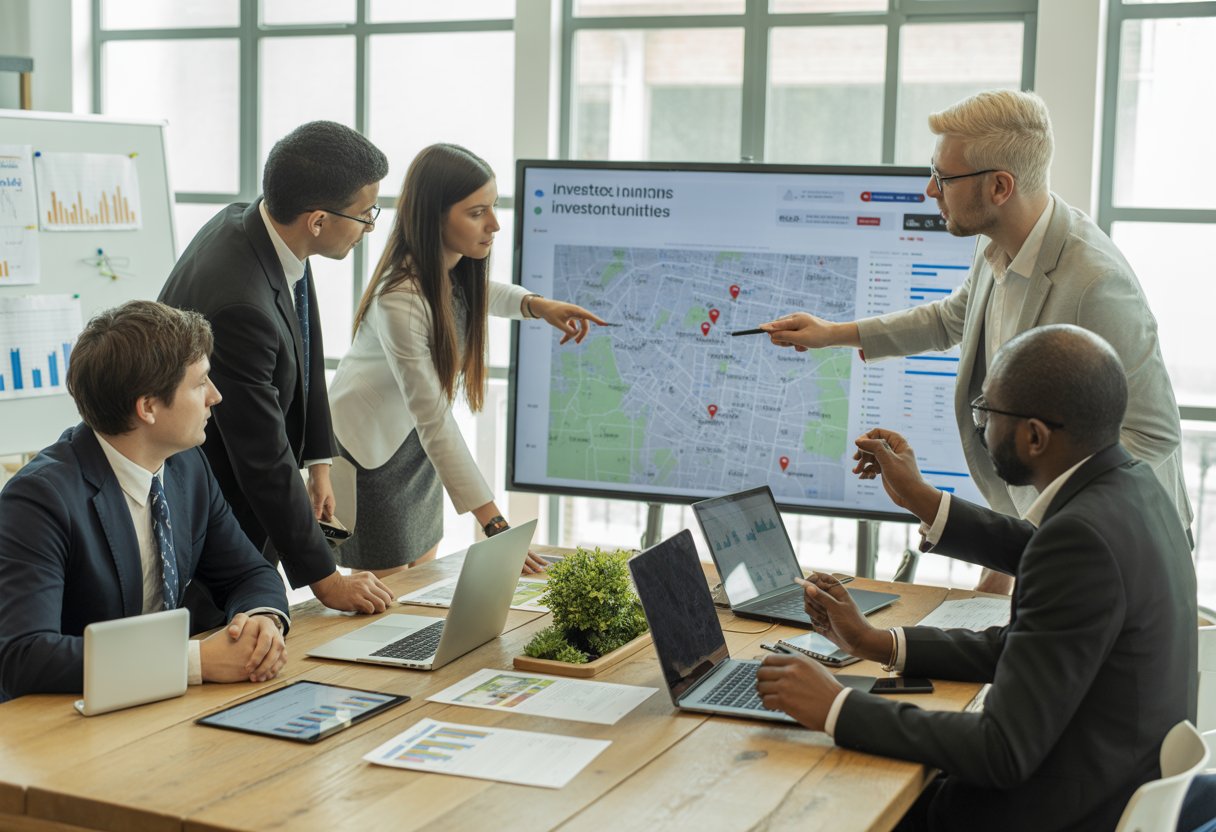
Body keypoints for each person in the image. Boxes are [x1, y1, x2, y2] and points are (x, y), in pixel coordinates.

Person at [755, 324, 1197, 832]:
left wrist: (837, 706)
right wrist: (877, 642)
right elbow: (1029, 645)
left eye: (987, 412)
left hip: (1058, 813)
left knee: (813, 800)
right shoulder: (1137, 489)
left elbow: (1001, 749)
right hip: (1106, 785)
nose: (980, 428)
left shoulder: (1079, 539)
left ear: (1034, 436)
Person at [760, 89, 1191, 594]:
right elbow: (950, 318)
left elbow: (1153, 435)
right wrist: (830, 334)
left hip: (1118, 552)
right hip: (1045, 539)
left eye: (943, 177)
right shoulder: (998, 245)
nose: (930, 189)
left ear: (1000, 187)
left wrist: (1031, 531)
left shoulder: (1096, 284)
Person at [329, 143, 606, 576]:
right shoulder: (399, 298)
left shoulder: (451, 269)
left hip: (414, 440)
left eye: (492, 207)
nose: (494, 224)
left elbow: (483, 293)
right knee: (386, 591)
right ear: (433, 217)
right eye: (477, 213)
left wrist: (538, 305)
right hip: (370, 449)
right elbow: (434, 416)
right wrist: (494, 522)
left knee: (423, 571)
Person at [159, 120, 394, 617]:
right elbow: (261, 458)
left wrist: (319, 462)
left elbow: (305, 346)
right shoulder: (240, 305)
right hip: (214, 507)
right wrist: (328, 580)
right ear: (318, 221)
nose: (370, 227)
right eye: (365, 214)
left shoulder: (262, 227)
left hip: (238, 486)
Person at [0, 301, 291, 702]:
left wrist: (261, 622)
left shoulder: (187, 465)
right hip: (66, 717)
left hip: (159, 707)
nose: (215, 396)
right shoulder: (39, 499)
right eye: (200, 384)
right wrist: (194, 661)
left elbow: (249, 573)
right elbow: (24, 655)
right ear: (148, 407)